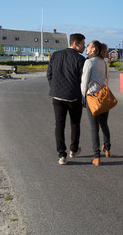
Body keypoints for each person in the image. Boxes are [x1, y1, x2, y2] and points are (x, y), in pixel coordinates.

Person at [47, 33, 86, 165]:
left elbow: (49, 74)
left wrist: (54, 87)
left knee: (59, 125)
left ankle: (61, 155)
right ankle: (73, 150)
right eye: (83, 44)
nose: (84, 47)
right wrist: (83, 97)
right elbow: (83, 81)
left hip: (57, 96)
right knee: (75, 124)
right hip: (73, 97)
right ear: (76, 43)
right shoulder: (81, 60)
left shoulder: (56, 55)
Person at [81, 40, 111, 166]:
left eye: (88, 45)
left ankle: (96, 157)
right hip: (103, 97)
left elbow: (84, 82)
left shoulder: (88, 62)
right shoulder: (104, 63)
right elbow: (106, 79)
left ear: (94, 49)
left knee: (94, 127)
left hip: (92, 97)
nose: (86, 47)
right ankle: (107, 148)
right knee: (104, 123)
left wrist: (83, 97)